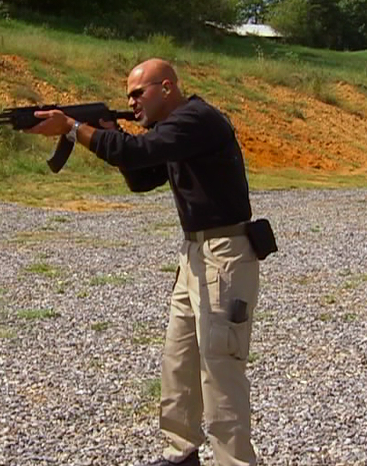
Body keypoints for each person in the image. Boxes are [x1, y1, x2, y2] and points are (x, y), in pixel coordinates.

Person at [27, 58, 260, 466]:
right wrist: (108, 132)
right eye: (128, 96)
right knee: (179, 364)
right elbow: (141, 175)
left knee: (220, 373)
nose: (132, 101)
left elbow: (139, 152)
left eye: (139, 93)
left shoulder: (196, 120)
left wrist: (73, 128)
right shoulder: (175, 132)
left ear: (167, 88)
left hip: (225, 256)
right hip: (195, 255)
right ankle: (182, 453)